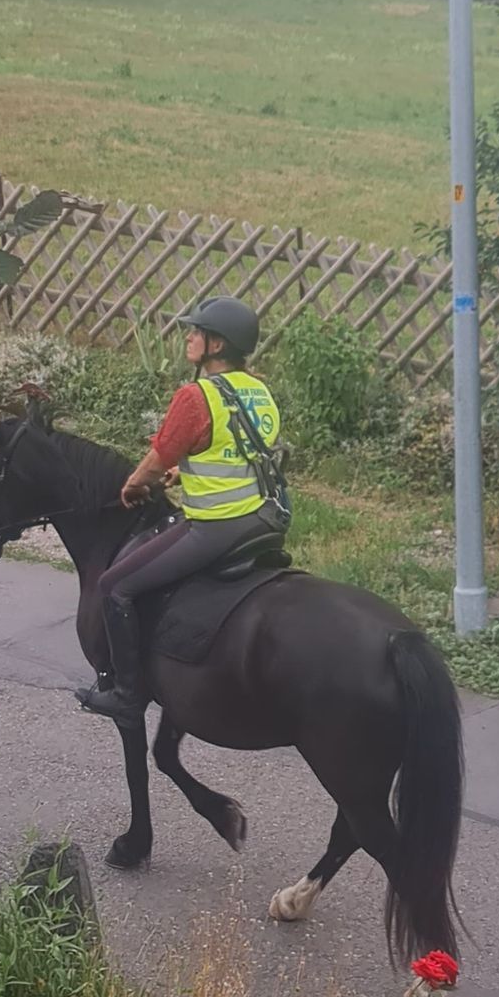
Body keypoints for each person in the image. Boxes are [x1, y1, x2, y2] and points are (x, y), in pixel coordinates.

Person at [75, 297, 286, 724]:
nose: (188, 336)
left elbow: (155, 458)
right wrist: (181, 474)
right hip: (264, 518)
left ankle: (126, 693)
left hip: (218, 526)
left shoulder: (196, 396)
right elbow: (234, 451)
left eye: (197, 331)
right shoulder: (258, 390)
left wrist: (136, 484)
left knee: (115, 587)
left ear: (217, 345)